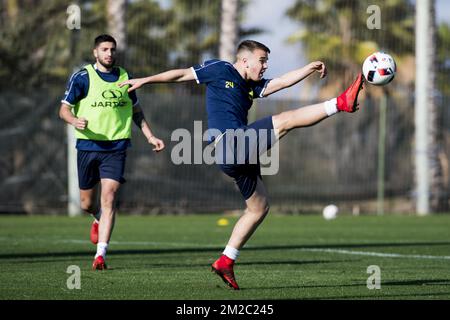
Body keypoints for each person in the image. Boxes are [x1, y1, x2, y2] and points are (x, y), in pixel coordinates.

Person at [119, 40, 364, 289]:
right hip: (230, 143)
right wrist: (144, 80)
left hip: (237, 153)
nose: (266, 66)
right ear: (244, 60)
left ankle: (226, 260)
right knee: (284, 120)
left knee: (259, 207)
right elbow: (181, 73)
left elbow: (280, 82)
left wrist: (308, 68)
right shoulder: (219, 69)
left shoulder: (252, 86)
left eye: (267, 61)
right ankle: (340, 103)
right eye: (262, 60)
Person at [59, 34, 165, 270]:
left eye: (112, 49)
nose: (109, 53)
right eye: (105, 49)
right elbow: (63, 110)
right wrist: (74, 121)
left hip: (116, 147)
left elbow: (136, 111)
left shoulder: (125, 77)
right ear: (95, 52)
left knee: (109, 197)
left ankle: (100, 255)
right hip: (88, 146)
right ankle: (96, 216)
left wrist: (150, 136)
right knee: (86, 204)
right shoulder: (82, 77)